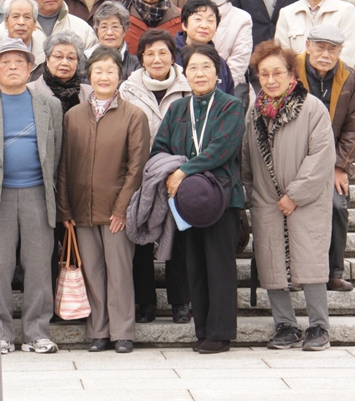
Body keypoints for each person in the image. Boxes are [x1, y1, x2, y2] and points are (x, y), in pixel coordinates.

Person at [0, 37, 63, 355]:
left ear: (30, 67)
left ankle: (36, 332)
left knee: (38, 266)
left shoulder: (50, 105)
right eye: (5, 62)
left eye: (19, 61)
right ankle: (2, 333)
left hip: (37, 193)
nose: (12, 67)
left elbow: (56, 152)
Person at [150, 44, 245, 354]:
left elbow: (223, 146)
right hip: (187, 201)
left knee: (220, 265)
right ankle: (202, 329)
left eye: (206, 67)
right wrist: (172, 171)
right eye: (193, 68)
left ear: (217, 74)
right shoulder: (178, 109)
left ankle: (220, 333)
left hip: (221, 197)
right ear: (184, 74)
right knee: (195, 265)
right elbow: (160, 147)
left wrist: (185, 170)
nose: (199, 73)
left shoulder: (230, 106)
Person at [243, 41, 336, 352]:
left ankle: (318, 326)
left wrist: (295, 194)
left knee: (310, 260)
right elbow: (247, 158)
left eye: (277, 73)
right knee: (271, 262)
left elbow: (322, 156)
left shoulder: (312, 108)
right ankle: (285, 325)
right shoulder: (254, 111)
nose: (270, 80)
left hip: (306, 199)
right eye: (264, 74)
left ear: (291, 74)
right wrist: (251, 193)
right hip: (266, 199)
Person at [57, 47, 150, 354]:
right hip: (82, 209)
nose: (104, 77)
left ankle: (123, 331)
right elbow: (64, 165)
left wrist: (122, 208)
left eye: (110, 71)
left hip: (115, 210)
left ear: (120, 75)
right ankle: (99, 331)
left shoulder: (133, 116)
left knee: (120, 271)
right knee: (93, 272)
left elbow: (136, 168)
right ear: (89, 75)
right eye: (98, 71)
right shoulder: (73, 116)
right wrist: (66, 209)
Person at [118, 29, 192, 324]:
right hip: (141, 172)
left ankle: (180, 301)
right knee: (140, 239)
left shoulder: (189, 86)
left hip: (180, 174)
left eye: (163, 52)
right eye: (150, 53)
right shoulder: (127, 89)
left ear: (173, 56)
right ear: (141, 59)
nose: (157, 59)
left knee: (178, 238)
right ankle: (144, 302)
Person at [295, 25, 355, 292]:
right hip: (294, 157)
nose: (325, 54)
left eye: (332, 49)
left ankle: (333, 271)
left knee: (337, 205)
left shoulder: (351, 78)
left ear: (340, 51)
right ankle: (298, 272)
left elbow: (354, 127)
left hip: (330, 160)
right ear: (308, 46)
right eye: (320, 47)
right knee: (296, 207)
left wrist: (340, 166)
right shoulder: (290, 69)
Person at [196, 0, 252, 94]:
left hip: (229, 90)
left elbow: (239, 61)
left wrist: (217, 88)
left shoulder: (242, 19)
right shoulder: (190, 15)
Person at [0, 0, 46, 96]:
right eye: (15, 16)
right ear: (6, 23)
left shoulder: (46, 57)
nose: (21, 22)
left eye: (27, 17)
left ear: (35, 25)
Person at [174, 0, 235, 95]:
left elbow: (229, 100)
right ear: (184, 25)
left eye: (210, 21)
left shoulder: (219, 63)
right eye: (198, 19)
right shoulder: (170, 56)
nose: (204, 25)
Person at [27, 31, 91, 113]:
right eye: (58, 56)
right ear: (47, 59)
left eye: (71, 58)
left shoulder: (90, 93)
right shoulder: (29, 91)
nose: (64, 63)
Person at [84, 1, 141, 78]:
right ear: (97, 31)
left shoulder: (135, 64)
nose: (109, 32)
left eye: (115, 27)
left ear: (124, 30)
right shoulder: (84, 60)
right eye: (104, 27)